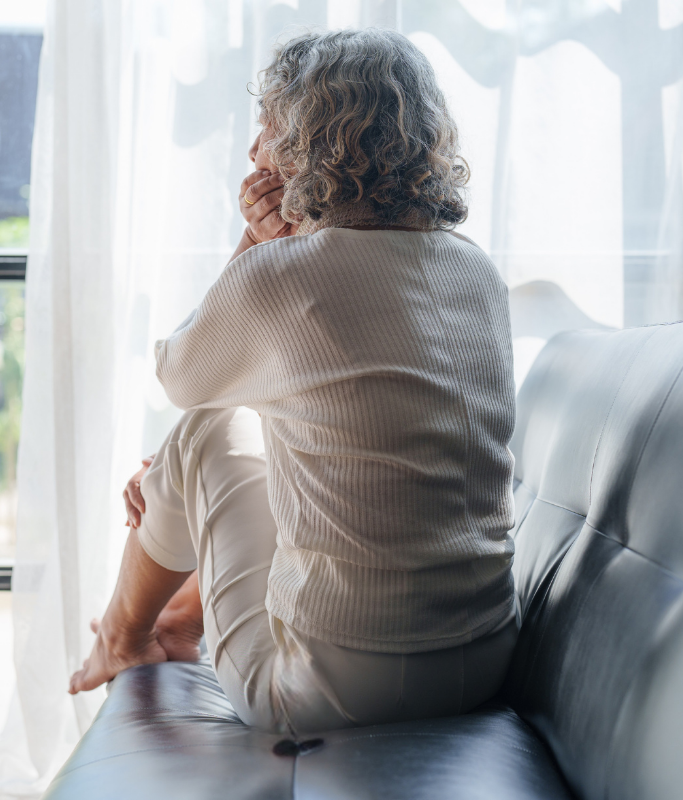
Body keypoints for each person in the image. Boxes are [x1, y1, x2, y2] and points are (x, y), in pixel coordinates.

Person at [69, 28, 517, 736]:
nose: (253, 153)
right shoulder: (477, 272)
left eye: (269, 126)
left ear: (317, 141)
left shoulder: (284, 275)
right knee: (225, 441)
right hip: (484, 658)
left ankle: (122, 640)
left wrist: (252, 249)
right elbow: (348, 409)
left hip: (336, 692)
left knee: (205, 429)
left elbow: (180, 375)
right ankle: (180, 623)